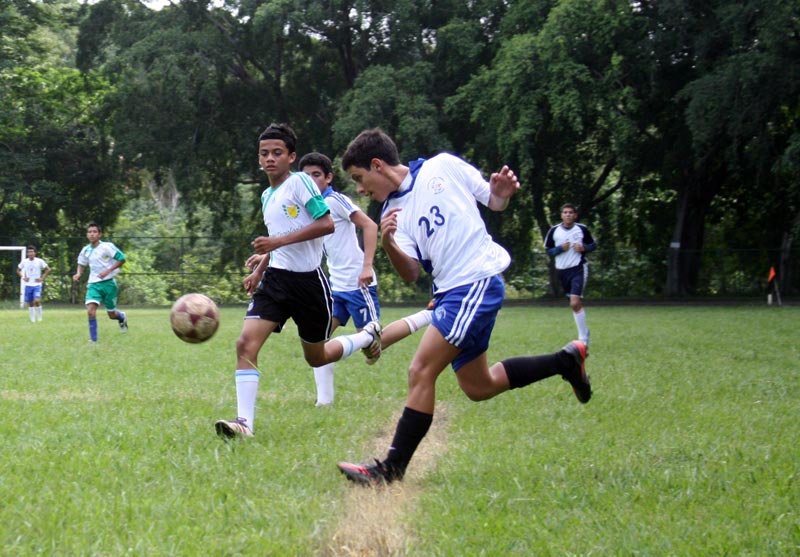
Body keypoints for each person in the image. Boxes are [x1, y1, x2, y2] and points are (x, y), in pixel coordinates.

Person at [336, 129, 592, 485]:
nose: (361, 190)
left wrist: (501, 194)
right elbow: (410, 273)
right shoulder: (391, 211)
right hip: (450, 293)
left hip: (476, 282)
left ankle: (390, 471)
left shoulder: (442, 166)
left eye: (360, 179)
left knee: (421, 370)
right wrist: (389, 242)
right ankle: (566, 360)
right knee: (479, 385)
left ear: (377, 165)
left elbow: (494, 200)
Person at [214, 123, 382, 439]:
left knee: (315, 357)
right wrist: (260, 270)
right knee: (245, 344)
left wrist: (274, 245)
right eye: (264, 153)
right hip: (276, 282)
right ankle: (244, 424)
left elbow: (326, 224)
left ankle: (365, 337)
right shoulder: (267, 195)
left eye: (277, 153)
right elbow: (280, 239)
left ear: (291, 156)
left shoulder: (301, 182)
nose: (269, 159)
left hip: (309, 284)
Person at [298, 151, 381, 406]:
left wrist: (367, 266)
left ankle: (425, 317)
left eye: (316, 175)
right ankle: (324, 402)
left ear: (328, 177)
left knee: (374, 349)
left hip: (358, 284)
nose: (311, 181)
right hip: (334, 288)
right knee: (317, 343)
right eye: (306, 177)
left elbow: (370, 226)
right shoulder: (310, 209)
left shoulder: (335, 201)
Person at [543, 203, 596, 348]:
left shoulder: (582, 229)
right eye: (565, 212)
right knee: (574, 305)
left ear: (575, 215)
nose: (568, 215)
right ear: (561, 215)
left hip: (578, 268)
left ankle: (583, 339)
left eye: (571, 212)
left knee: (574, 302)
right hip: (562, 270)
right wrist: (560, 249)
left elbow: (593, 245)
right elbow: (549, 251)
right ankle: (585, 332)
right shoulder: (554, 231)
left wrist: (583, 248)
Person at [72, 222, 128, 343]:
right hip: (93, 284)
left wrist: (108, 271)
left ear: (100, 234)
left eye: (94, 232)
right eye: (89, 232)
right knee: (91, 311)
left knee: (111, 315)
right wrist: (78, 273)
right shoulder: (85, 250)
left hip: (109, 284)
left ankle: (122, 317)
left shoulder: (107, 247)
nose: (92, 234)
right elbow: (81, 263)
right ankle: (93, 341)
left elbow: (122, 258)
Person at [17, 245, 51, 322]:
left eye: (32, 252)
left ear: (35, 253)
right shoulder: (24, 261)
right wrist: (23, 277)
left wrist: (42, 278)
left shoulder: (39, 261)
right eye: (29, 252)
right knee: (31, 303)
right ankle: (32, 320)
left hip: (37, 285)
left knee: (37, 300)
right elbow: (18, 270)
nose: (30, 253)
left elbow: (48, 269)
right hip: (28, 285)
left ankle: (39, 318)